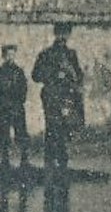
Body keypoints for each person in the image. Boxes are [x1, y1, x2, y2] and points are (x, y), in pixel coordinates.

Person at [32, 24, 83, 175]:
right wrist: (54, 75)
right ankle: (50, 159)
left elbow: (79, 75)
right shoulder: (46, 54)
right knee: (52, 126)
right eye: (60, 34)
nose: (63, 37)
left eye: (66, 34)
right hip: (51, 95)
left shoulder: (71, 55)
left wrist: (71, 75)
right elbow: (36, 75)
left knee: (64, 127)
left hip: (66, 96)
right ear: (55, 34)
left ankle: (61, 160)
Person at [0, 46, 26, 173]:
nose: (11, 57)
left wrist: (19, 101)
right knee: (3, 135)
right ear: (4, 56)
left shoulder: (19, 71)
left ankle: (24, 160)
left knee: (21, 134)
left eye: (13, 54)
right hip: (4, 108)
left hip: (16, 107)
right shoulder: (1, 72)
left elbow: (23, 89)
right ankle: (4, 161)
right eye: (8, 55)